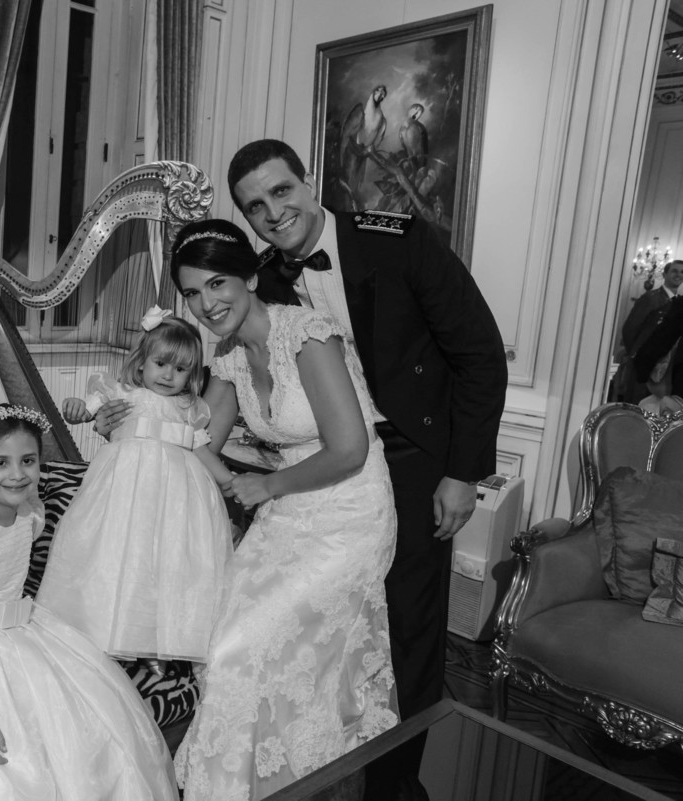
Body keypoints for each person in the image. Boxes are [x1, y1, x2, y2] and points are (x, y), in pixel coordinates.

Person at [234, 138, 507, 800]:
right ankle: (323, 766)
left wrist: (463, 473)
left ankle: (394, 782)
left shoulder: (399, 241)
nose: (272, 212)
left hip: (413, 459)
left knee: (408, 627)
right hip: (326, 471)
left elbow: (478, 353)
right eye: (254, 206)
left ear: (309, 181)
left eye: (281, 190)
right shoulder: (264, 281)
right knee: (322, 624)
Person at [168, 218, 399, 799]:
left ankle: (294, 774)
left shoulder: (308, 334)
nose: (206, 304)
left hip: (350, 514)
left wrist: (266, 487)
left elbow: (350, 449)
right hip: (288, 511)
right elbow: (200, 440)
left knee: (247, 649)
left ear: (250, 278)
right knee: (218, 644)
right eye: (192, 293)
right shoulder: (229, 357)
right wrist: (139, 416)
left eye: (217, 284)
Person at [0, 403, 178, 801]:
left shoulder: (29, 513)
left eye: (28, 460)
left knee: (84, 735)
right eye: (0, 463)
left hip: (23, 633)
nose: (17, 474)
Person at [37, 306, 233, 670]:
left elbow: (201, 449)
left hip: (174, 499)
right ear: (141, 363)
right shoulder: (121, 391)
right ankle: (97, 631)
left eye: (181, 369)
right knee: (117, 555)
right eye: (161, 363)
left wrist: (230, 483)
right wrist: (76, 408)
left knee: (165, 563)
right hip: (124, 493)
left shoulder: (190, 409)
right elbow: (85, 411)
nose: (169, 375)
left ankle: (157, 644)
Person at [621, 260, 683, 402]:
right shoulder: (650, 298)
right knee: (638, 405)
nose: (679, 275)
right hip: (645, 363)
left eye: (682, 272)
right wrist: (636, 354)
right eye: (674, 271)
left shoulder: (678, 302)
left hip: (666, 366)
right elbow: (630, 329)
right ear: (664, 274)